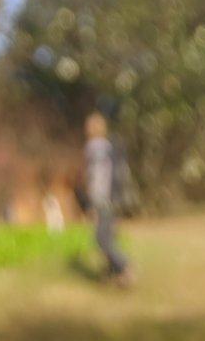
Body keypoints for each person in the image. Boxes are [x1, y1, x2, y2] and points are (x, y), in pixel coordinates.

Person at [80, 112, 132, 286]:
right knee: (109, 235)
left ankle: (124, 266)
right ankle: (114, 274)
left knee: (101, 238)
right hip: (113, 197)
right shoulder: (109, 146)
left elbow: (96, 177)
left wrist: (92, 202)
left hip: (102, 199)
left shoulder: (93, 147)